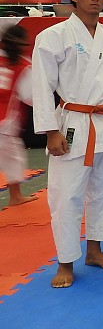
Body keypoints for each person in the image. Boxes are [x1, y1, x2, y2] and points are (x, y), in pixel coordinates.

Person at [32, 0, 103, 288]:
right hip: (74, 125)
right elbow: (42, 85)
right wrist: (50, 131)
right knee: (67, 196)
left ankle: (95, 251)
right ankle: (65, 262)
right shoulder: (53, 36)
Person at [0, 25, 35, 206]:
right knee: (14, 158)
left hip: (4, 123)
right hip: (5, 122)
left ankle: (16, 196)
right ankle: (15, 197)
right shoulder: (23, 66)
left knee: (12, 157)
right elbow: (31, 98)